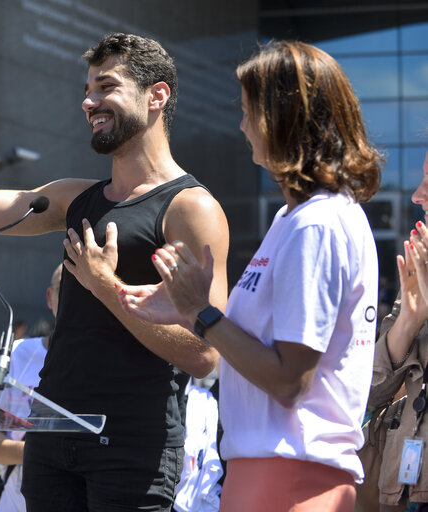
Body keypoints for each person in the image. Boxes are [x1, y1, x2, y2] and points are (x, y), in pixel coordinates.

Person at [0, 32, 228, 510]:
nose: (88, 101)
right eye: (88, 89)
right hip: (50, 434)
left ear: (157, 95)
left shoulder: (191, 209)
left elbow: (206, 353)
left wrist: (107, 287)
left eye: (106, 86)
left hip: (131, 447)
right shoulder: (71, 197)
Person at [118, 40, 381, 511]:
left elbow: (287, 380)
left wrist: (201, 313)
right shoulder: (292, 220)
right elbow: (255, 350)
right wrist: (185, 310)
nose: (241, 126)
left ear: (285, 118)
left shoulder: (317, 223)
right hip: (264, 473)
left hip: (294, 477)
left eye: (247, 111)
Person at [368, 149, 428, 511]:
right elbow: (371, 395)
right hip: (405, 494)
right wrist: (410, 318)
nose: (416, 195)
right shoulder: (419, 269)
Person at [0, 264, 61, 512]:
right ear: (50, 297)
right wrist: (47, 453)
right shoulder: (16, 353)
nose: (75, 298)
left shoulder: (107, 361)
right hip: (16, 497)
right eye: (66, 289)